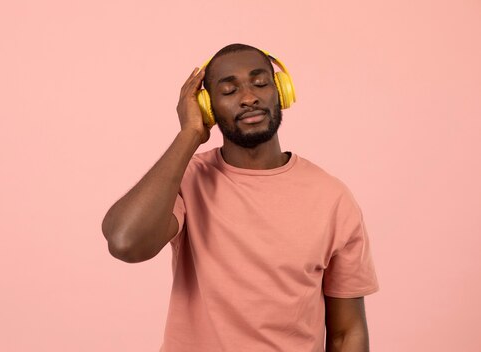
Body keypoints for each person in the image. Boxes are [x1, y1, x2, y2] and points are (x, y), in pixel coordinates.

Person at [101, 43, 379, 352]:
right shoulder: (187, 179)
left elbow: (347, 333)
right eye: (230, 91)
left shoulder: (332, 197)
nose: (249, 98)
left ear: (282, 91)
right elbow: (125, 241)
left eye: (260, 83)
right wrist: (189, 134)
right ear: (208, 107)